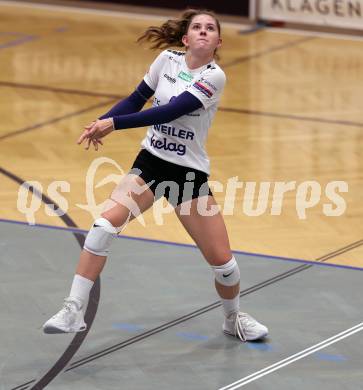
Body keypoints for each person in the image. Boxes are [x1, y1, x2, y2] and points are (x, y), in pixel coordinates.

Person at [43, 9, 268, 342]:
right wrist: (102, 122)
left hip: (187, 174)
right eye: (197, 27)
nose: (204, 31)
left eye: (211, 28)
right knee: (104, 227)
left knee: (224, 264)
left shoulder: (214, 76)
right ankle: (73, 309)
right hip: (151, 162)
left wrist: (114, 125)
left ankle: (233, 317)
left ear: (219, 41)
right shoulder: (167, 60)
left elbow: (172, 109)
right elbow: (137, 99)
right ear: (185, 38)